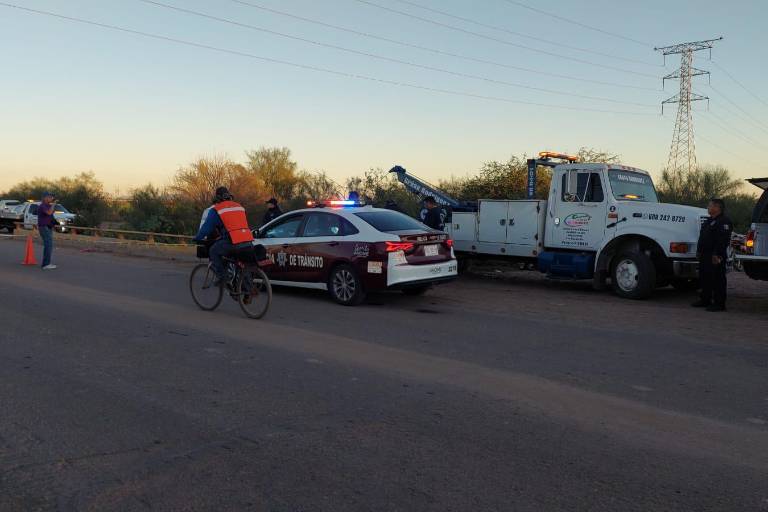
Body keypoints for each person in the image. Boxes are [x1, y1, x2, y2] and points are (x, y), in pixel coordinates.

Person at [194, 186, 254, 286]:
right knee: (241, 261)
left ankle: (223, 276)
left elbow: (206, 229)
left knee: (213, 251)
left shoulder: (216, 210)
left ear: (217, 198)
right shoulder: (239, 207)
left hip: (233, 241)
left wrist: (197, 238)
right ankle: (247, 289)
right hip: (248, 240)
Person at [692, 198, 732, 312]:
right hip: (705, 255)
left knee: (717, 279)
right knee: (705, 278)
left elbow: (723, 240)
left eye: (710, 206)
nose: (708, 208)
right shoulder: (709, 220)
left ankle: (719, 304)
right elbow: (703, 237)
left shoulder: (724, 221)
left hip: (715, 255)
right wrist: (699, 251)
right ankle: (705, 300)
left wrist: (717, 254)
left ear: (717, 208)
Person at [38, 192, 57, 270]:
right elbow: (49, 213)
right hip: (44, 227)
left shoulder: (48, 205)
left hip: (48, 227)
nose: (51, 198)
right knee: (48, 245)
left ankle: (47, 263)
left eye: (52, 197)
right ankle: (46, 264)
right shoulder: (42, 206)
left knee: (49, 245)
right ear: (45, 198)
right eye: (50, 197)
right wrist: (53, 205)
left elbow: (51, 214)